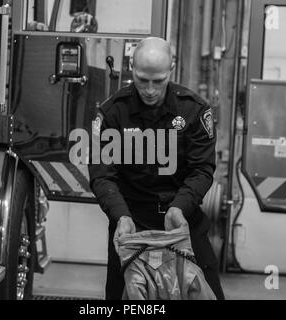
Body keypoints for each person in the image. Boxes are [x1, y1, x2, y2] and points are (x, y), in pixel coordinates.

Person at [88, 37, 225, 300]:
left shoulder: (194, 111)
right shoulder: (112, 113)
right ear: (131, 67)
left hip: (181, 220)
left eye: (158, 81)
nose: (150, 90)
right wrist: (121, 216)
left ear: (171, 70)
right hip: (131, 225)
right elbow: (103, 175)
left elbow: (202, 169)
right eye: (142, 80)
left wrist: (179, 207)